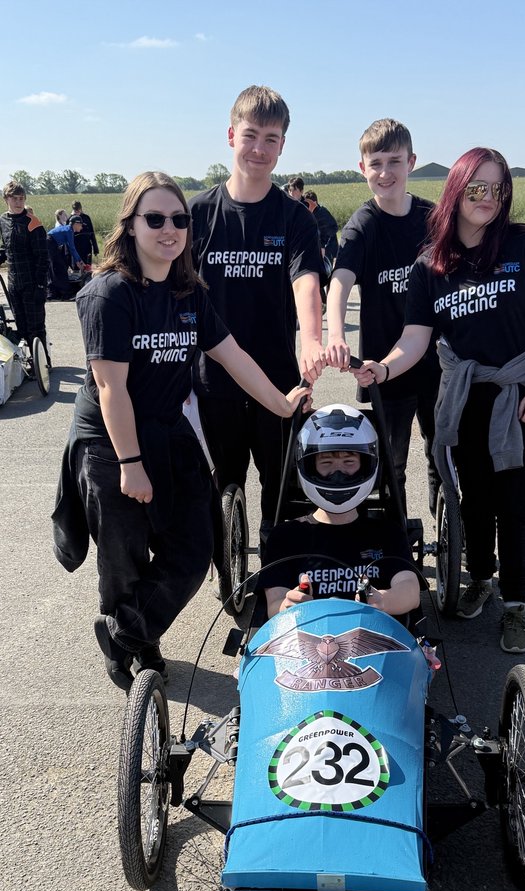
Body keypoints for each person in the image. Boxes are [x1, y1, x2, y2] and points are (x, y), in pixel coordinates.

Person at [51, 171, 310, 692]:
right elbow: (111, 390)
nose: (168, 229)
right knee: (124, 554)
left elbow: (232, 354)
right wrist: (130, 465)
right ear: (130, 225)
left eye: (178, 219)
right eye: (154, 219)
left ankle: (124, 632)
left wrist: (282, 405)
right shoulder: (109, 295)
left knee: (194, 548)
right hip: (110, 439)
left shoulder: (189, 292)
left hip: (168, 429)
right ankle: (138, 647)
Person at [353, 147, 525, 654]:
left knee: (515, 507)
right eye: (477, 189)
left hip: (522, 397)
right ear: (456, 192)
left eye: (498, 189)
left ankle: (516, 603)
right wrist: (384, 367)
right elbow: (415, 339)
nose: (489, 200)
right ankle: (480, 579)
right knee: (472, 500)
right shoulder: (431, 266)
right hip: (465, 400)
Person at [190, 86, 325, 549]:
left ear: (283, 145)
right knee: (222, 484)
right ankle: (228, 564)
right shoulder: (198, 214)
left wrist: (311, 339)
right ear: (231, 135)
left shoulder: (294, 218)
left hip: (278, 382)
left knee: (283, 491)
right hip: (213, 382)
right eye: (251, 135)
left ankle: (278, 565)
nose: (260, 149)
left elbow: (306, 279)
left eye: (271, 138)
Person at [326, 118, 440, 515]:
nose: (385, 172)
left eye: (394, 161)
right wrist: (335, 333)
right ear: (362, 169)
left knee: (443, 457)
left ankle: (450, 537)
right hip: (382, 365)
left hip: (438, 361)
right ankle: (399, 546)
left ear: (411, 162)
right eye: (375, 163)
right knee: (392, 465)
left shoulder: (433, 218)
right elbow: (340, 280)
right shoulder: (363, 224)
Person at [260, 404, 420, 619]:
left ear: (366, 465)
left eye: (349, 462)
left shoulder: (386, 533)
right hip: (308, 642)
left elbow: (410, 590)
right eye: (326, 462)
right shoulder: (286, 536)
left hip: (375, 641)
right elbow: (274, 604)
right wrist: (288, 605)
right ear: (308, 466)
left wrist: (382, 601)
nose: (338, 474)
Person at [0, 180, 50, 368]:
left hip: (32, 283)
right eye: (15, 198)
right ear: (7, 199)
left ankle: (44, 365)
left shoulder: (33, 223)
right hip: (13, 283)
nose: (19, 202)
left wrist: (40, 285)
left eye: (21, 199)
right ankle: (28, 362)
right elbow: (7, 246)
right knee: (22, 327)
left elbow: (43, 258)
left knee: (36, 327)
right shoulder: (3, 221)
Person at [47, 209, 85, 300]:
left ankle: (55, 293)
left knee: (58, 267)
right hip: (49, 243)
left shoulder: (68, 230)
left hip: (52, 243)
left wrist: (78, 261)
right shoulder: (69, 230)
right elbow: (72, 248)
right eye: (81, 225)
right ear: (76, 224)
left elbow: (70, 247)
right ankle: (65, 294)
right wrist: (79, 261)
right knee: (58, 267)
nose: (82, 228)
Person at [303, 190, 338, 268]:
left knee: (326, 270)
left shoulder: (322, 213)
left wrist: (323, 242)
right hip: (316, 247)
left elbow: (334, 227)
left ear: (315, 202)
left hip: (328, 247)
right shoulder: (308, 214)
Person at [71, 200, 99, 265]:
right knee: (76, 269)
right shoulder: (70, 219)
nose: (77, 212)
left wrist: (95, 248)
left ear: (81, 209)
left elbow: (92, 233)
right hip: (76, 247)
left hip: (86, 247)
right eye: (76, 210)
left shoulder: (86, 218)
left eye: (78, 210)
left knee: (87, 267)